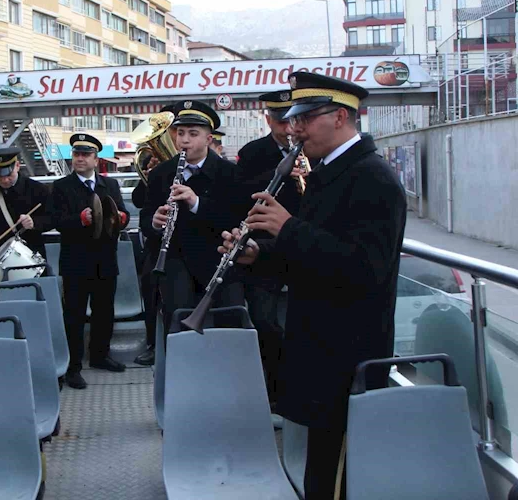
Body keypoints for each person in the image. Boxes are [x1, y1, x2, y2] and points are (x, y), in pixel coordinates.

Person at [220, 72, 407, 500]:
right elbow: (311, 260)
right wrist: (258, 255)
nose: (294, 128)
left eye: (305, 117)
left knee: (338, 475)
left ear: (341, 116)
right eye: (290, 118)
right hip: (323, 349)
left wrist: (287, 229)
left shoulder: (372, 179)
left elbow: (365, 270)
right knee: (320, 471)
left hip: (349, 354)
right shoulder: (331, 173)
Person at [140, 100, 244, 339]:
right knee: (177, 327)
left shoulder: (230, 173)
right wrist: (154, 223)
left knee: (229, 327)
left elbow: (235, 218)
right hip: (177, 263)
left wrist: (196, 203)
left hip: (218, 263)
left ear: (209, 140)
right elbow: (146, 216)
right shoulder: (161, 173)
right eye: (180, 133)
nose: (184, 140)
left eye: (193, 134)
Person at [234, 90, 306, 408]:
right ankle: (273, 394)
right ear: (268, 119)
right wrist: (279, 174)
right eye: (279, 120)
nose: (286, 128)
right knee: (265, 322)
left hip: (301, 246)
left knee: (301, 324)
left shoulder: (311, 150)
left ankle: (297, 390)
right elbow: (238, 193)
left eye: (291, 120)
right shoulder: (253, 153)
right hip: (264, 249)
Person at [48, 134, 130, 389]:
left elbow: (120, 211)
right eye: (76, 154)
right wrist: (79, 220)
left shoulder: (110, 185)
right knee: (73, 313)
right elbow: (56, 221)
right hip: (76, 259)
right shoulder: (61, 186)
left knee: (104, 310)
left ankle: (99, 356)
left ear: (96, 159)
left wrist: (122, 217)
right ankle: (72, 366)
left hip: (105, 257)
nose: (80, 159)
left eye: (85, 154)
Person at [132, 103, 176, 366]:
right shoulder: (153, 163)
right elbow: (139, 201)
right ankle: (152, 343)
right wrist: (148, 176)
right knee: (151, 290)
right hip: (157, 242)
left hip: (185, 241)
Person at [0, 147, 52, 275]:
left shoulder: (37, 189)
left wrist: (34, 222)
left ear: (17, 166)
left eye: (8, 175)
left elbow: (52, 219)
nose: (5, 180)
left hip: (32, 256)